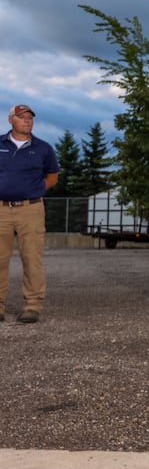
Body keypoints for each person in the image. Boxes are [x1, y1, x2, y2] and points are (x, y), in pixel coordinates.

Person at [0, 105, 60, 324]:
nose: (27, 121)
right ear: (11, 121)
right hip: (1, 210)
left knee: (32, 258)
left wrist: (34, 192)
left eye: (29, 118)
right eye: (21, 117)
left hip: (30, 210)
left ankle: (32, 306)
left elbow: (52, 177)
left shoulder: (43, 148)